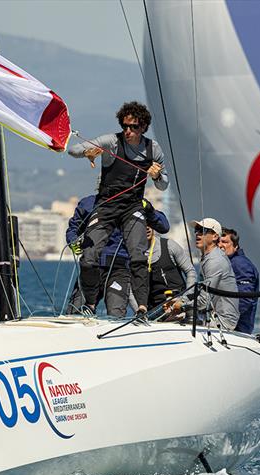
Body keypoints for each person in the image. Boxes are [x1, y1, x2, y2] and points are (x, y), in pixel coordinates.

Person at [68, 101, 169, 317]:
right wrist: (88, 153)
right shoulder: (112, 142)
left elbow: (163, 184)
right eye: (125, 126)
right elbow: (72, 150)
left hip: (132, 207)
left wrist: (156, 175)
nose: (128, 131)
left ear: (143, 127)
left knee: (138, 256)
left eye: (133, 127)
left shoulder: (153, 149)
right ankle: (91, 303)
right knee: (88, 256)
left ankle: (142, 307)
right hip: (106, 206)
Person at [66, 197, 169, 316]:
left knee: (116, 315)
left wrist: (149, 210)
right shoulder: (89, 203)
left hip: (119, 272)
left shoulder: (137, 203)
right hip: (91, 268)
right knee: (75, 313)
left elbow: (164, 227)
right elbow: (73, 228)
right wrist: (73, 241)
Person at [165, 218, 239, 330]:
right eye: (196, 230)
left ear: (215, 236)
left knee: (169, 326)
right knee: (167, 321)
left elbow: (204, 300)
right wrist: (180, 300)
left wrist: (182, 306)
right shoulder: (207, 258)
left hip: (222, 321)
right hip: (208, 315)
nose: (198, 234)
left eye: (203, 231)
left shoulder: (215, 260)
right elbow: (199, 291)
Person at [145, 223, 196, 309]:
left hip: (179, 304)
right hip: (154, 310)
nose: (147, 228)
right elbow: (131, 288)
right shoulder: (134, 254)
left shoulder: (170, 246)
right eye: (142, 224)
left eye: (149, 224)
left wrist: (185, 299)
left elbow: (190, 271)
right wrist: (141, 311)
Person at [219, 227, 260, 334]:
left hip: (236, 329)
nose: (220, 245)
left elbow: (245, 299)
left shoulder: (240, 264)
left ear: (236, 246)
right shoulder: (226, 262)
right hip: (224, 326)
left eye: (225, 242)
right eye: (218, 241)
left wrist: (226, 320)